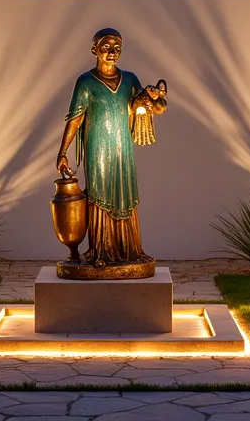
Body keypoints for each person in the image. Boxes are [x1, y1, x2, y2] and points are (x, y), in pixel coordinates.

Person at [56, 27, 167, 267]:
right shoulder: (86, 81)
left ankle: (130, 251)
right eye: (106, 47)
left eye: (116, 47)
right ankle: (100, 252)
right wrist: (63, 152)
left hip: (122, 147)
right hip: (97, 148)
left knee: (124, 192)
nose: (112, 52)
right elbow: (75, 118)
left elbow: (152, 106)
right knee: (100, 194)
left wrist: (154, 96)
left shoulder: (129, 79)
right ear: (94, 49)